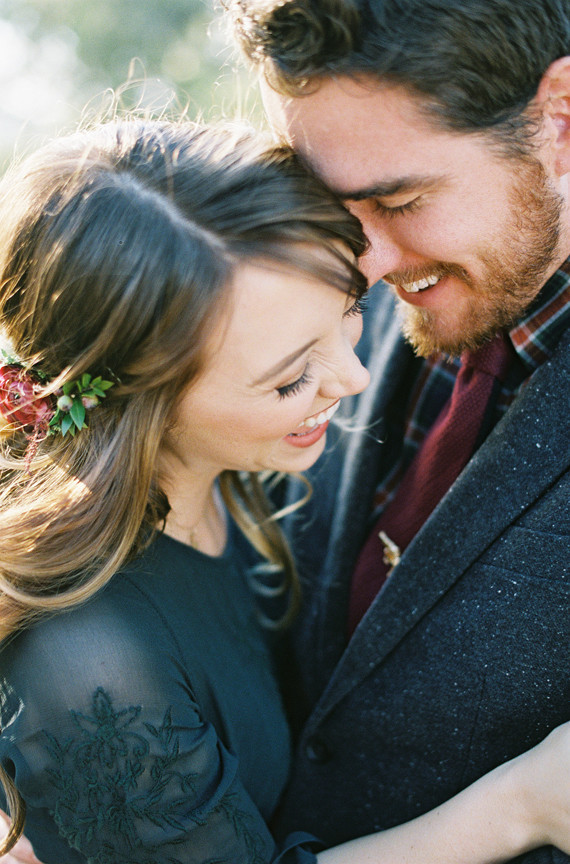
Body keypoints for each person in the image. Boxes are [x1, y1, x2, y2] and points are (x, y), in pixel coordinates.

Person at [0, 117, 569, 864]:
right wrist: (520, 806)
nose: (354, 377)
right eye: (291, 377)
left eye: (349, 316)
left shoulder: (233, 476)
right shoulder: (88, 659)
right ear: (144, 398)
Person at [226, 0, 570, 859]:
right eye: (338, 208)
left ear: (560, 120)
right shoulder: (347, 300)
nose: (366, 265)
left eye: (403, 200)